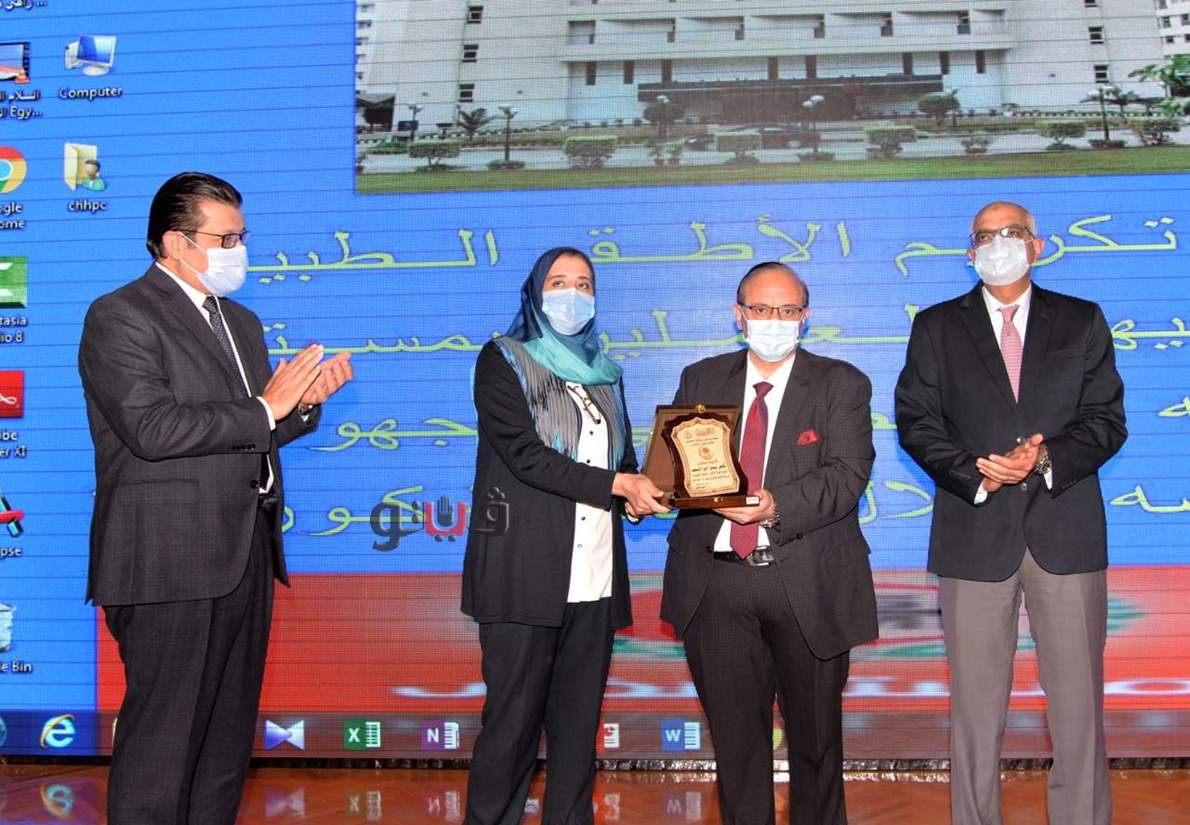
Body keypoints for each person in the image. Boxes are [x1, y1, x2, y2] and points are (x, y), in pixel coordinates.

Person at [78, 171, 353, 825]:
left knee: (225, 746)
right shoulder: (120, 315)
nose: (239, 250)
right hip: (167, 559)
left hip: (244, 553)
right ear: (176, 242)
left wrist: (299, 407)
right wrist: (265, 408)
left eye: (242, 236)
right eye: (225, 239)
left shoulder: (242, 322)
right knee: (163, 745)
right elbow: (152, 429)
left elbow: (250, 429)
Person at [894, 201, 1126, 825]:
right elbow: (916, 421)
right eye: (985, 237)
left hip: (1066, 532)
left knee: (1078, 708)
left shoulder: (1081, 320)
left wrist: (1044, 458)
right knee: (974, 710)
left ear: (1037, 245)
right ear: (970, 252)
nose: (999, 244)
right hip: (973, 532)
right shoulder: (937, 326)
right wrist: (976, 472)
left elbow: (1106, 420)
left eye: (1012, 233)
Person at [661, 262, 878, 825]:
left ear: (805, 317)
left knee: (816, 747)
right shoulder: (700, 379)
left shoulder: (840, 383)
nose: (773, 321)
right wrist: (654, 490)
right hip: (715, 586)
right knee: (736, 752)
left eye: (787, 310)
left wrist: (774, 504)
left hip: (806, 582)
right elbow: (677, 470)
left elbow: (847, 475)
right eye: (760, 309)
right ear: (739, 315)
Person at [462, 247, 668, 825]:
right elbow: (525, 456)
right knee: (512, 728)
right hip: (524, 572)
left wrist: (639, 497)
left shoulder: (607, 374)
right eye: (558, 282)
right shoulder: (503, 359)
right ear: (535, 292)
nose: (572, 294)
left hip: (594, 576)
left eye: (583, 283)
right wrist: (617, 485)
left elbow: (623, 461)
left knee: (578, 730)